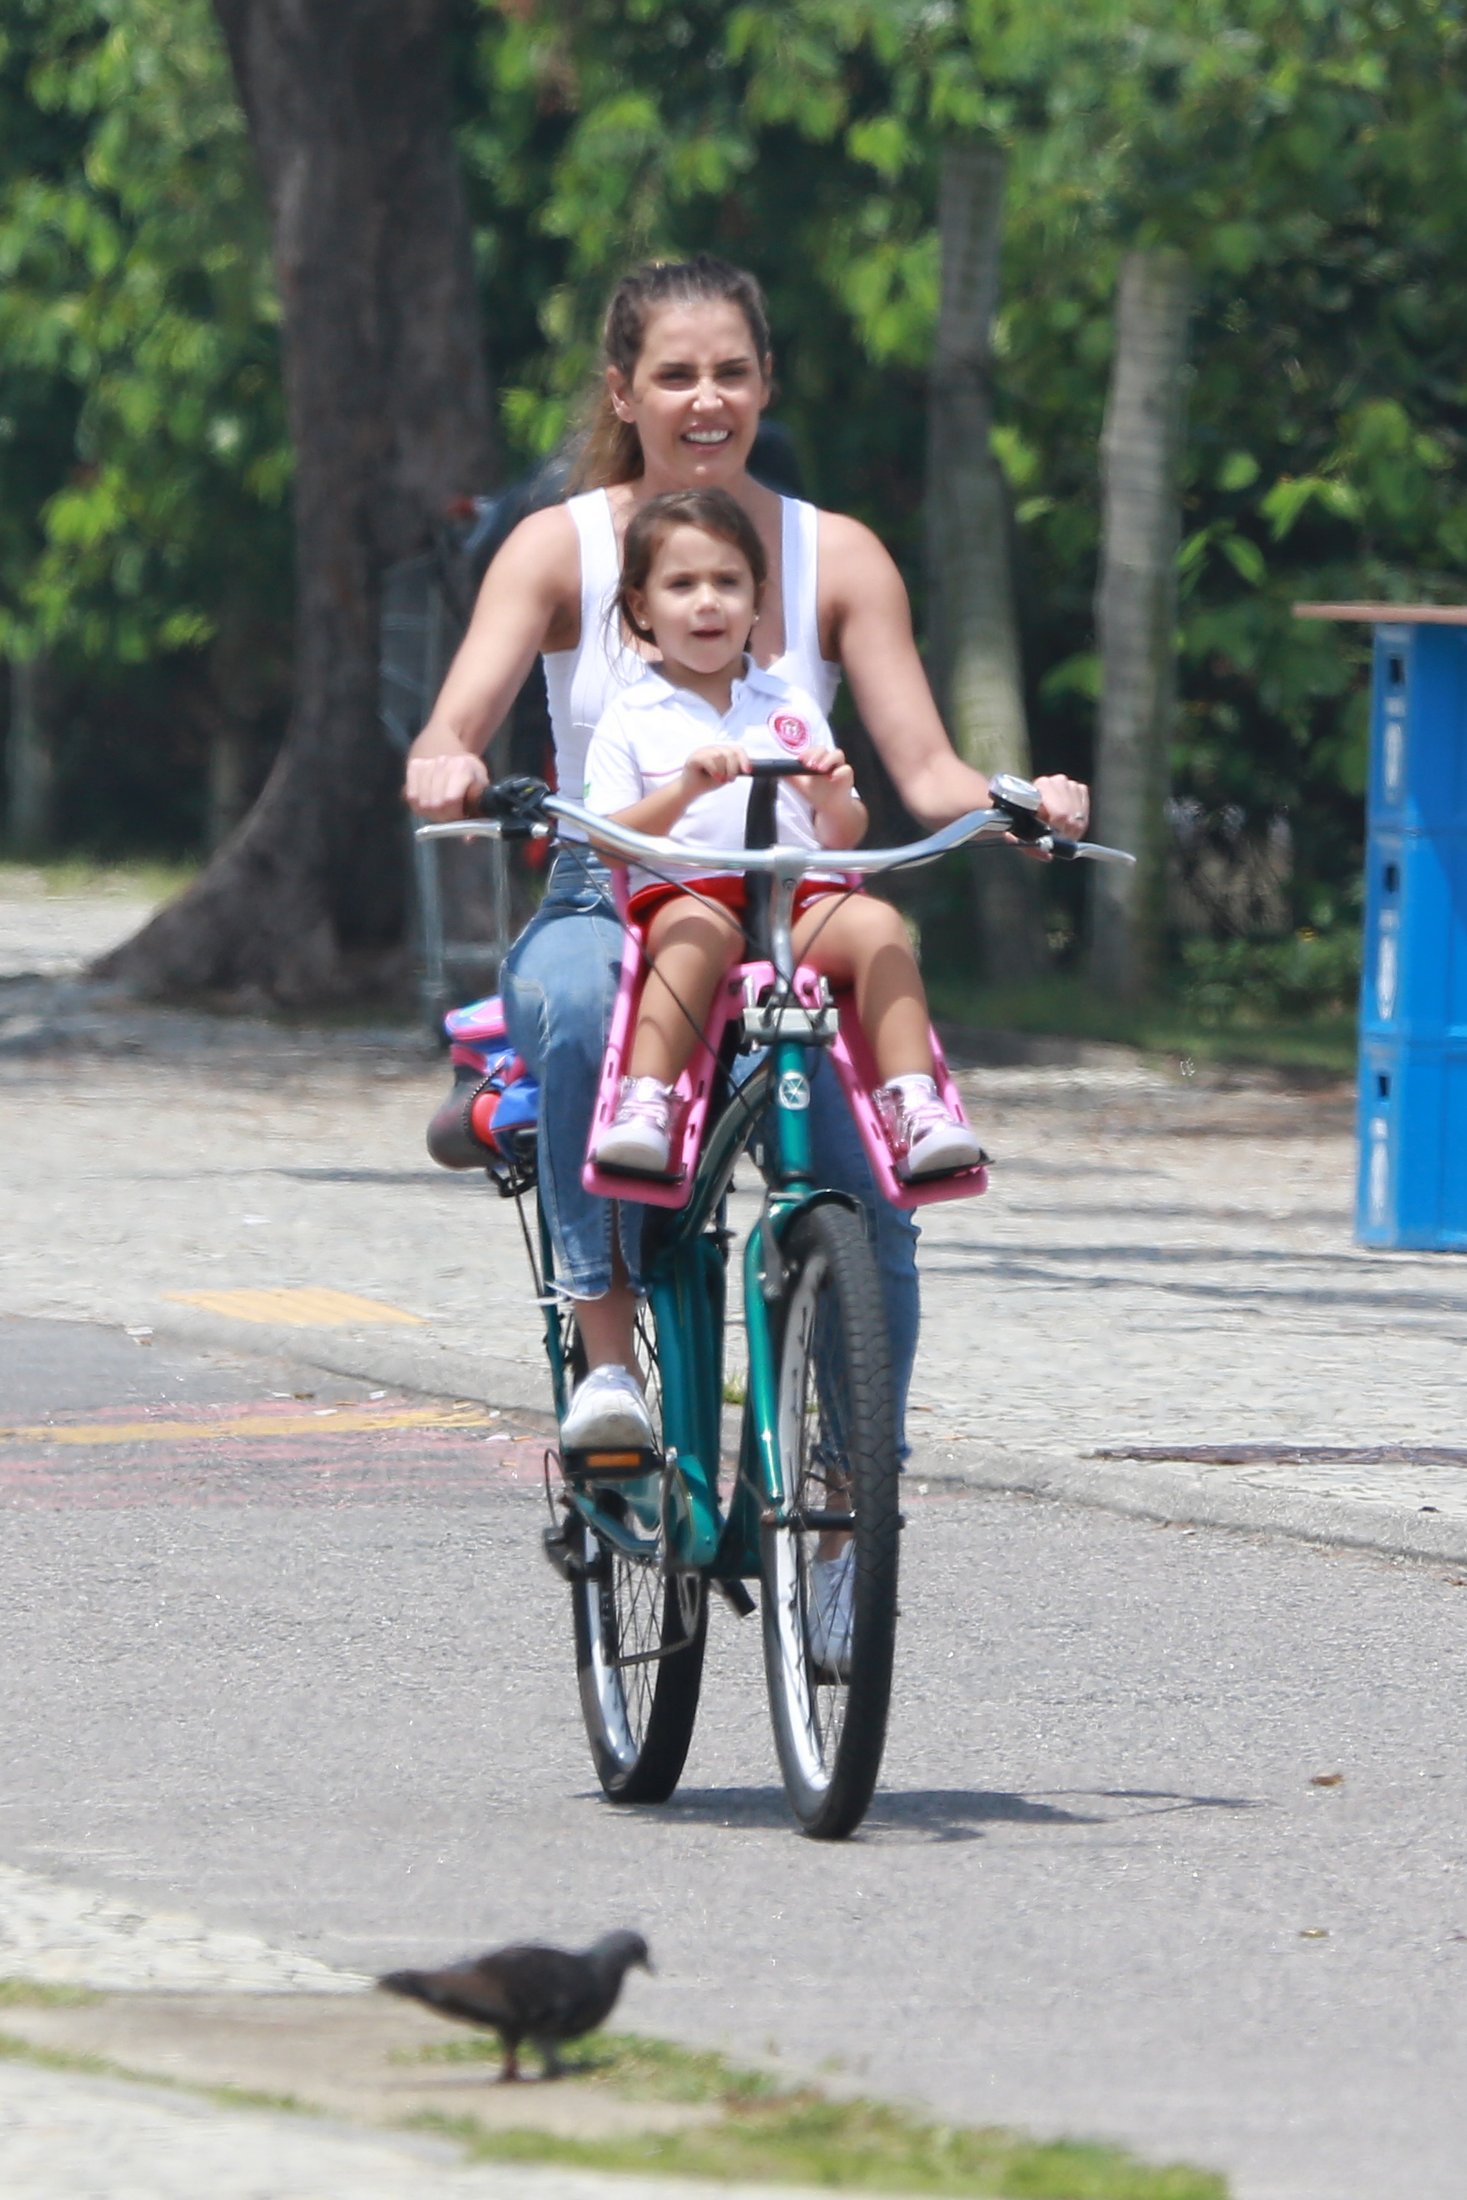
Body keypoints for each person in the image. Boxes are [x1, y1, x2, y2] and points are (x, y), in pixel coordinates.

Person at [404, 254, 1089, 1456]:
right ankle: (608, 1364)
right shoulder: (556, 547)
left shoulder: (841, 556)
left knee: (870, 1180)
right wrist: (448, 760)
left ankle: (850, 1488)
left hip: (791, 900)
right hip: (615, 889)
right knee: (574, 1005)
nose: (704, 399)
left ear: (768, 384)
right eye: (675, 375)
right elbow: (453, 722)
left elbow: (925, 773)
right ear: (623, 392)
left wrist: (1020, 802)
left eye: (731, 371)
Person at [583, 487, 988, 1189]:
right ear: (641, 607)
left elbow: (842, 833)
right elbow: (609, 843)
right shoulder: (629, 715)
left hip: (795, 902)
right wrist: (683, 790)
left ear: (758, 598)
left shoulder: (789, 704)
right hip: (689, 892)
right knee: (696, 929)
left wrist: (831, 798)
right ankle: (646, 1102)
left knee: (877, 924)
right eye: (681, 584)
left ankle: (914, 1104)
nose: (707, 601)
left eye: (727, 582)